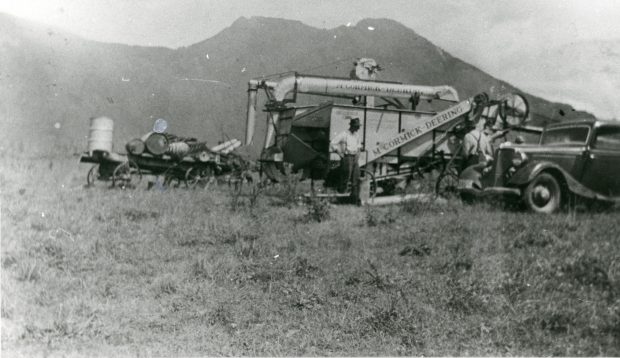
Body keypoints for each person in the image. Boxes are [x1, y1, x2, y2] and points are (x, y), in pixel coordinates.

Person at [330, 117, 362, 201]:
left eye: (358, 127)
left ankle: (355, 197)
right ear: (352, 126)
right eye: (356, 127)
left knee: (356, 176)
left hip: (355, 157)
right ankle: (341, 195)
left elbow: (359, 146)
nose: (358, 128)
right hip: (347, 157)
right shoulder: (344, 134)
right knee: (346, 176)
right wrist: (339, 152)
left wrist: (358, 154)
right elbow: (333, 143)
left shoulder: (357, 135)